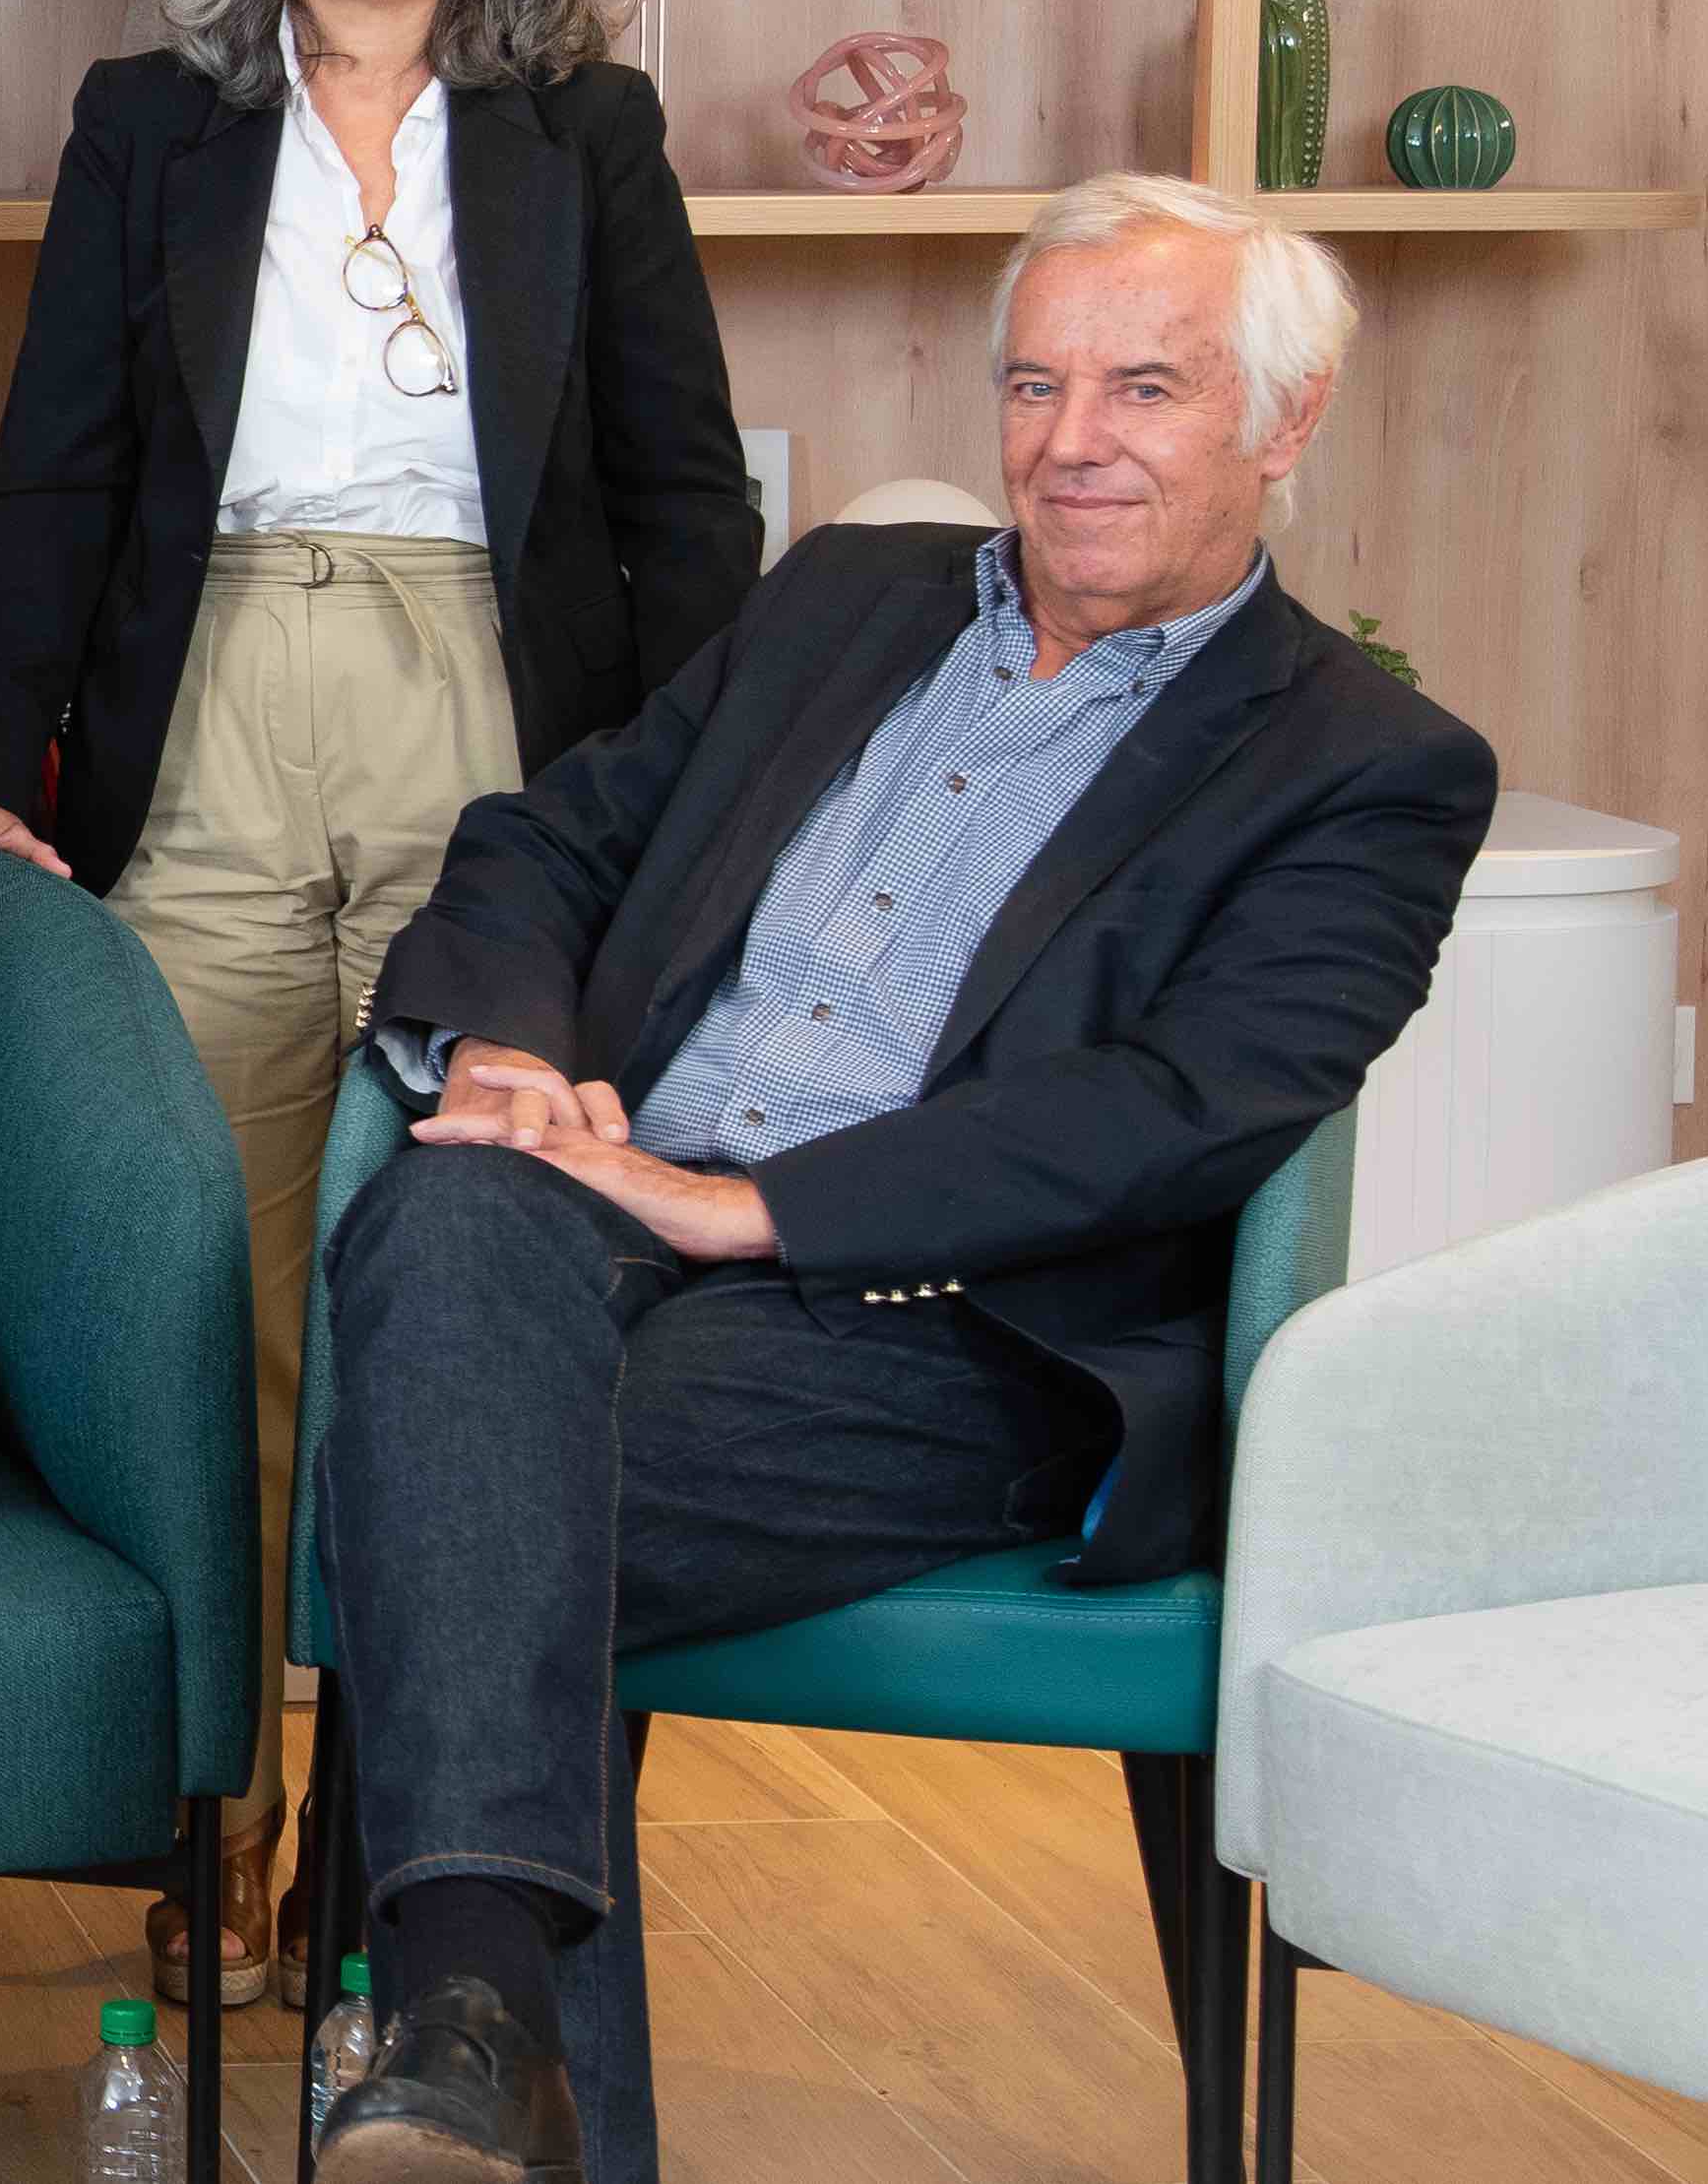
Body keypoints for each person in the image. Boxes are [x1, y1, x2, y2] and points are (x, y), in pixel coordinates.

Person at [308, 174, 1498, 2181]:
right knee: (447, 1209)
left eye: (1146, 388)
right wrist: (517, 1057)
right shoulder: (849, 605)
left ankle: (463, 2020)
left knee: (471, 1472)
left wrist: (755, 1208)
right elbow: (549, 841)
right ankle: (475, 2035)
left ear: (1286, 426)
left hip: (944, 1322)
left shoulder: (1366, 765)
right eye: (1037, 384)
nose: (1071, 441)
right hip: (600, 1211)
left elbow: (1187, 1101)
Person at [0, 0, 758, 2007]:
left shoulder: (582, 129)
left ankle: (405, 1864)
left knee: (447, 1284)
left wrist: (692, 802)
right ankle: (217, 1816)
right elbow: (51, 461)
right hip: (204, 715)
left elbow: (682, 495)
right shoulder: (143, 120)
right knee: (207, 1283)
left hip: (496, 729)